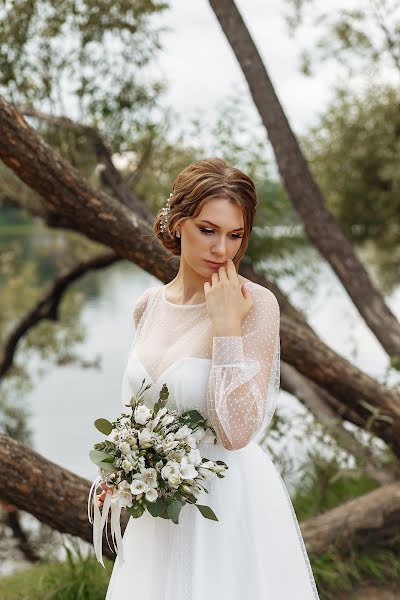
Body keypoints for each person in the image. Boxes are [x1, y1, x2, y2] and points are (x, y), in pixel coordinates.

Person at [104, 157, 320, 599]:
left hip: (225, 507)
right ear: (178, 224)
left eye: (234, 235)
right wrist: (122, 468)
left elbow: (237, 430)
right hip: (159, 511)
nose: (222, 250)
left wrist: (226, 328)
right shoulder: (148, 305)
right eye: (208, 230)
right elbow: (139, 414)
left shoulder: (256, 305)